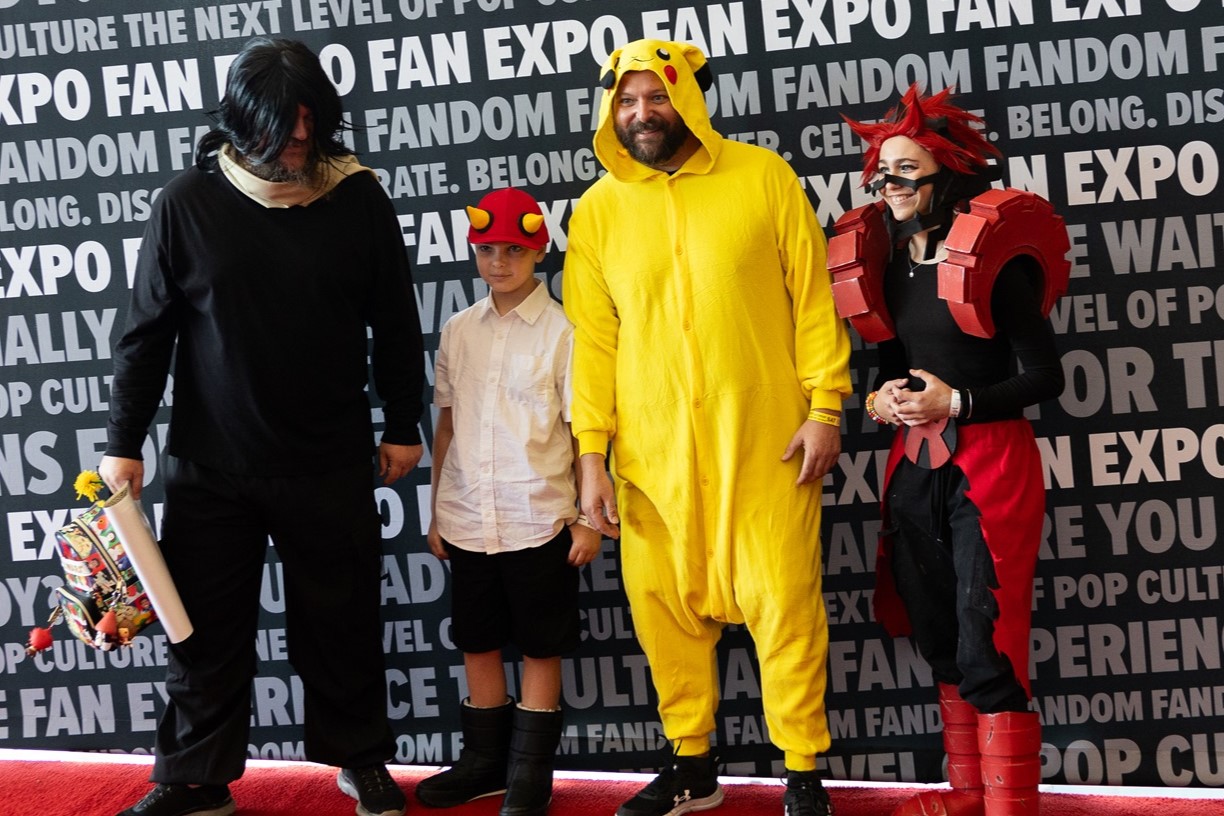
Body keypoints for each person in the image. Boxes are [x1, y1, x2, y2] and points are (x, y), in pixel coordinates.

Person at [99, 37, 424, 816]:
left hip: (331, 457)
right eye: (283, 124)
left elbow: (396, 323)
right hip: (213, 463)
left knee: (342, 622)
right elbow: (146, 333)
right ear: (241, 121)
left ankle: (362, 759)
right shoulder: (186, 203)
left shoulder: (358, 198)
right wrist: (122, 441)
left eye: (312, 120)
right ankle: (195, 779)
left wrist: (404, 422)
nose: (300, 139)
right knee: (202, 634)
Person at [562, 38, 852, 816]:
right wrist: (590, 455)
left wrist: (827, 406)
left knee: (786, 607)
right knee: (663, 611)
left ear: (689, 97)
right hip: (651, 454)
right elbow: (592, 342)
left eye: (656, 96)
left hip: (765, 441)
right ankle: (692, 765)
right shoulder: (596, 213)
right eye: (626, 100)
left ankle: (802, 772)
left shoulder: (764, 178)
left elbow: (812, 301)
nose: (641, 113)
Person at [835, 86, 1068, 816]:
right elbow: (888, 365)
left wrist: (957, 402)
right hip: (914, 466)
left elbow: (1045, 377)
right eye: (881, 175)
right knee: (935, 625)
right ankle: (969, 794)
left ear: (949, 176)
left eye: (905, 173)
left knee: (985, 635)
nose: (889, 189)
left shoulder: (999, 264)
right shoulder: (889, 262)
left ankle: (1009, 807)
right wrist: (882, 401)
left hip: (990, 464)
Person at [414, 188, 601, 816]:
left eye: (514, 250)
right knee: (477, 638)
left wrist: (584, 519)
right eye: (488, 249)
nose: (500, 262)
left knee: (542, 644)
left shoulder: (564, 332)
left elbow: (582, 433)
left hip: (540, 517)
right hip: (468, 515)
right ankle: (484, 762)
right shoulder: (458, 330)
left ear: (540, 251)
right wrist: (438, 509)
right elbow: (445, 427)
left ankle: (530, 771)